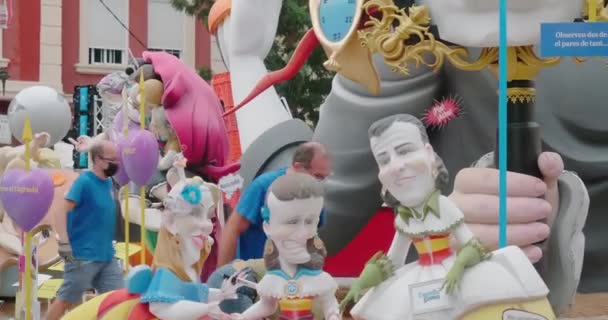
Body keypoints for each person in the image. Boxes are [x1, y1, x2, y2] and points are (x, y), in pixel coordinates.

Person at [217, 141, 331, 267]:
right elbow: (232, 228)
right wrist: (223, 274)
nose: (318, 183)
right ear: (298, 167)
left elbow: (313, 237)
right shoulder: (264, 186)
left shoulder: (314, 194)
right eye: (317, 176)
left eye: (323, 178)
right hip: (257, 274)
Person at [47, 140, 124, 320]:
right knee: (66, 299)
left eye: (117, 159)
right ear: (97, 160)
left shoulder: (108, 183)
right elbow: (59, 211)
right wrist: (64, 243)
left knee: (116, 299)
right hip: (83, 256)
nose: (116, 163)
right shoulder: (84, 182)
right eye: (111, 159)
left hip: (106, 255)